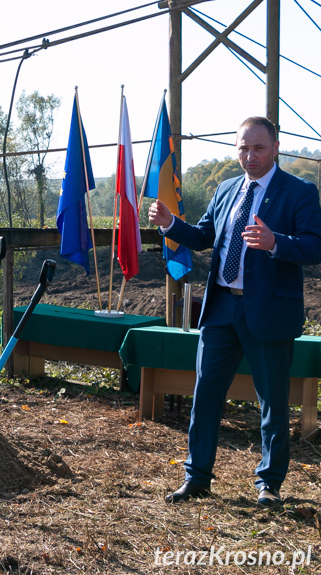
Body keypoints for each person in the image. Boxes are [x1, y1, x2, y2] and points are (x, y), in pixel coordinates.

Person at [148, 116, 321, 506]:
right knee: (206, 394)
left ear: (275, 148)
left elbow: (315, 246)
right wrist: (170, 223)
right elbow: (205, 236)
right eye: (243, 147)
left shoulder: (300, 192)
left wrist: (277, 242)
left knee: (272, 403)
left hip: (269, 312)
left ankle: (269, 484)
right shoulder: (226, 189)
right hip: (222, 308)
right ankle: (196, 478)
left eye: (258, 148)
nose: (250, 155)